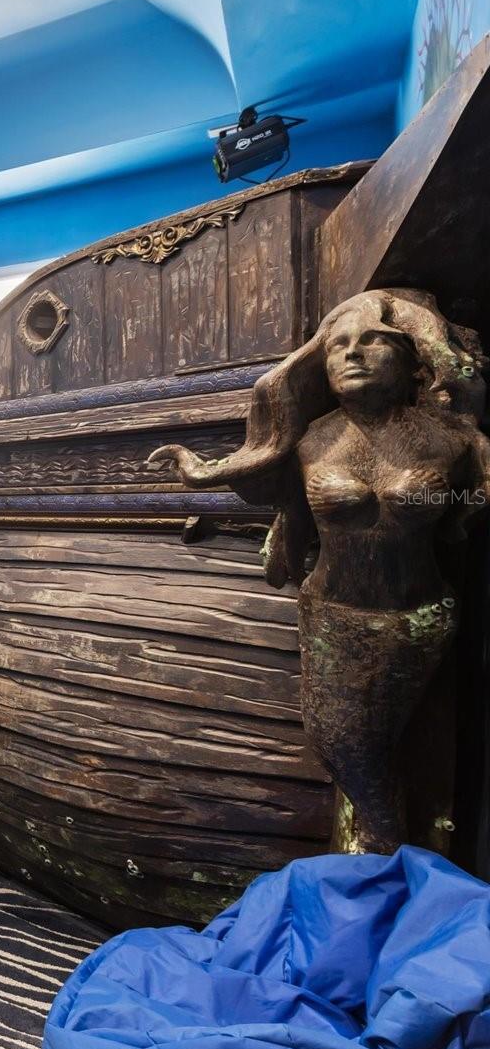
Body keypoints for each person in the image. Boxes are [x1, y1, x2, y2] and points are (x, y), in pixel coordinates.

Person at [151, 289, 490, 852]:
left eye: (373, 341)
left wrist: (453, 504)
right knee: (337, 741)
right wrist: (199, 472)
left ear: (411, 361)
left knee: (381, 742)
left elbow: (472, 500)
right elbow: (277, 496)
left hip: (421, 618)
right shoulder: (308, 440)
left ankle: (381, 854)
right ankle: (385, 850)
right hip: (333, 612)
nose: (353, 353)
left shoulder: (453, 439)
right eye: (339, 346)